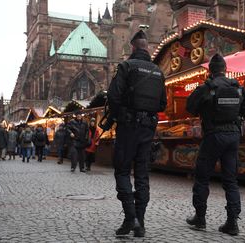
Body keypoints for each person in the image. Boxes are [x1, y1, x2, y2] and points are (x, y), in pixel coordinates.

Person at [100, 30, 167, 237]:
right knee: (142, 175)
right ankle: (141, 223)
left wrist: (121, 116)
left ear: (133, 47)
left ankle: (131, 219)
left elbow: (113, 96)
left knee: (122, 171)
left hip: (128, 127)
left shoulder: (126, 66)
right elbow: (163, 103)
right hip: (149, 128)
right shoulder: (158, 71)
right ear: (147, 47)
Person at [185, 53, 245, 236]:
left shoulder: (207, 87)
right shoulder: (238, 87)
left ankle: (200, 218)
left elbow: (190, 106)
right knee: (231, 181)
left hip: (213, 135)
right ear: (225, 69)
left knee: (202, 177)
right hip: (233, 136)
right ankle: (232, 223)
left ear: (210, 71)